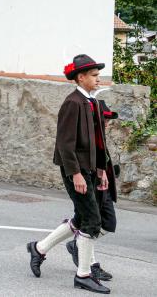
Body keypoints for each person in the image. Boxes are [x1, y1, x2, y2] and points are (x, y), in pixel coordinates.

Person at [27, 55, 112, 294]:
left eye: (98, 75)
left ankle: (39, 249)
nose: (98, 79)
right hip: (76, 171)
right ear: (81, 77)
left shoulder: (91, 102)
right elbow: (65, 144)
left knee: (80, 218)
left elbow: (98, 141)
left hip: (91, 170)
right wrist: (76, 174)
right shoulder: (72, 103)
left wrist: (102, 169)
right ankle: (83, 275)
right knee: (92, 221)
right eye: (94, 76)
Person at [65, 99, 118, 283]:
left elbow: (104, 160)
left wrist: (107, 175)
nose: (106, 123)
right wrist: (78, 175)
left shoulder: (99, 136)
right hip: (89, 182)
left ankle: (73, 246)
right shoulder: (87, 133)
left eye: (108, 120)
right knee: (88, 222)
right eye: (104, 119)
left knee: (107, 223)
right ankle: (88, 268)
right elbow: (68, 149)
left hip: (102, 185)